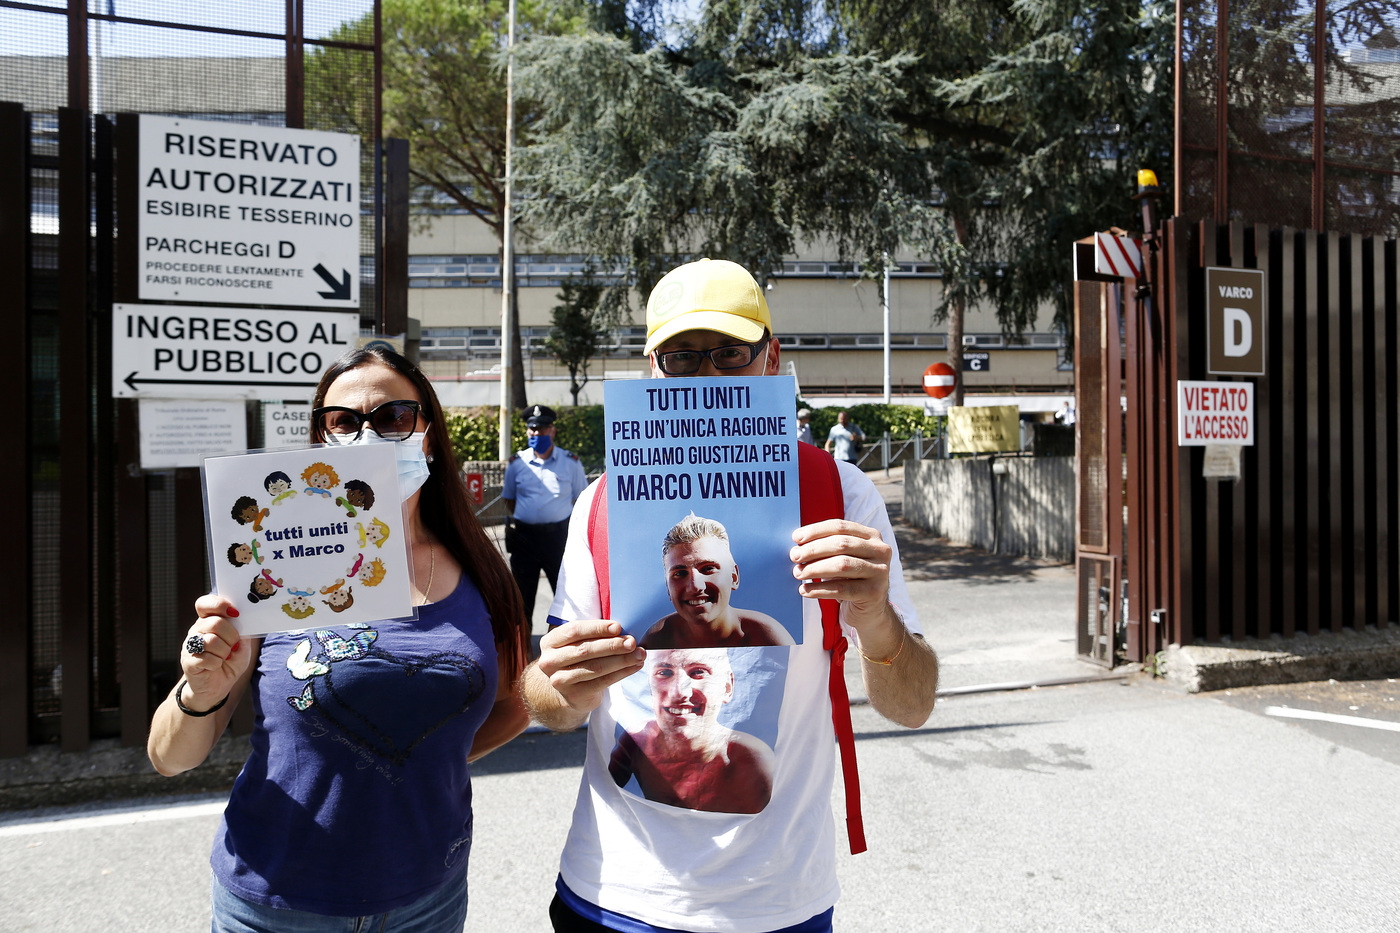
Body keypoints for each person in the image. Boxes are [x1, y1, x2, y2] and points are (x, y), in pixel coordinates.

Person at [523, 258, 939, 933]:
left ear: (771, 361)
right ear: (652, 370)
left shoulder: (841, 494)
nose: (708, 377)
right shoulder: (601, 503)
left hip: (778, 903)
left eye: (729, 353)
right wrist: (562, 682)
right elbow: (549, 706)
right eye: (683, 358)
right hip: (615, 894)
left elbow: (912, 704)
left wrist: (875, 616)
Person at [148, 346, 531, 933]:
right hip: (277, 902)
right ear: (322, 437)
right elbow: (170, 758)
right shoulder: (273, 567)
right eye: (344, 421)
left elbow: (513, 701)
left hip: (429, 897)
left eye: (393, 417)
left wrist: (430, 756)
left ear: (427, 432)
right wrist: (199, 687)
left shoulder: (481, 569)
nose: (369, 435)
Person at [608, 648, 774, 814]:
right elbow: (605, 804)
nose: (679, 692)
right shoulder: (636, 741)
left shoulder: (751, 758)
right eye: (665, 672)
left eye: (698, 672)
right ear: (649, 687)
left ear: (727, 687)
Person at [640, 514, 794, 649]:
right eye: (680, 573)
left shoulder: (767, 636)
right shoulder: (657, 640)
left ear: (734, 577)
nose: (695, 586)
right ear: (668, 588)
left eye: (708, 569)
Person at [502, 404, 589, 621]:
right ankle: (523, 651)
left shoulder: (571, 462)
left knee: (570, 596)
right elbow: (509, 499)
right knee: (522, 599)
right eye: (532, 429)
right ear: (527, 431)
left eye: (542, 429)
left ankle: (571, 649)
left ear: (552, 430)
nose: (537, 433)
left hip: (558, 538)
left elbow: (581, 498)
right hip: (525, 539)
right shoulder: (516, 463)